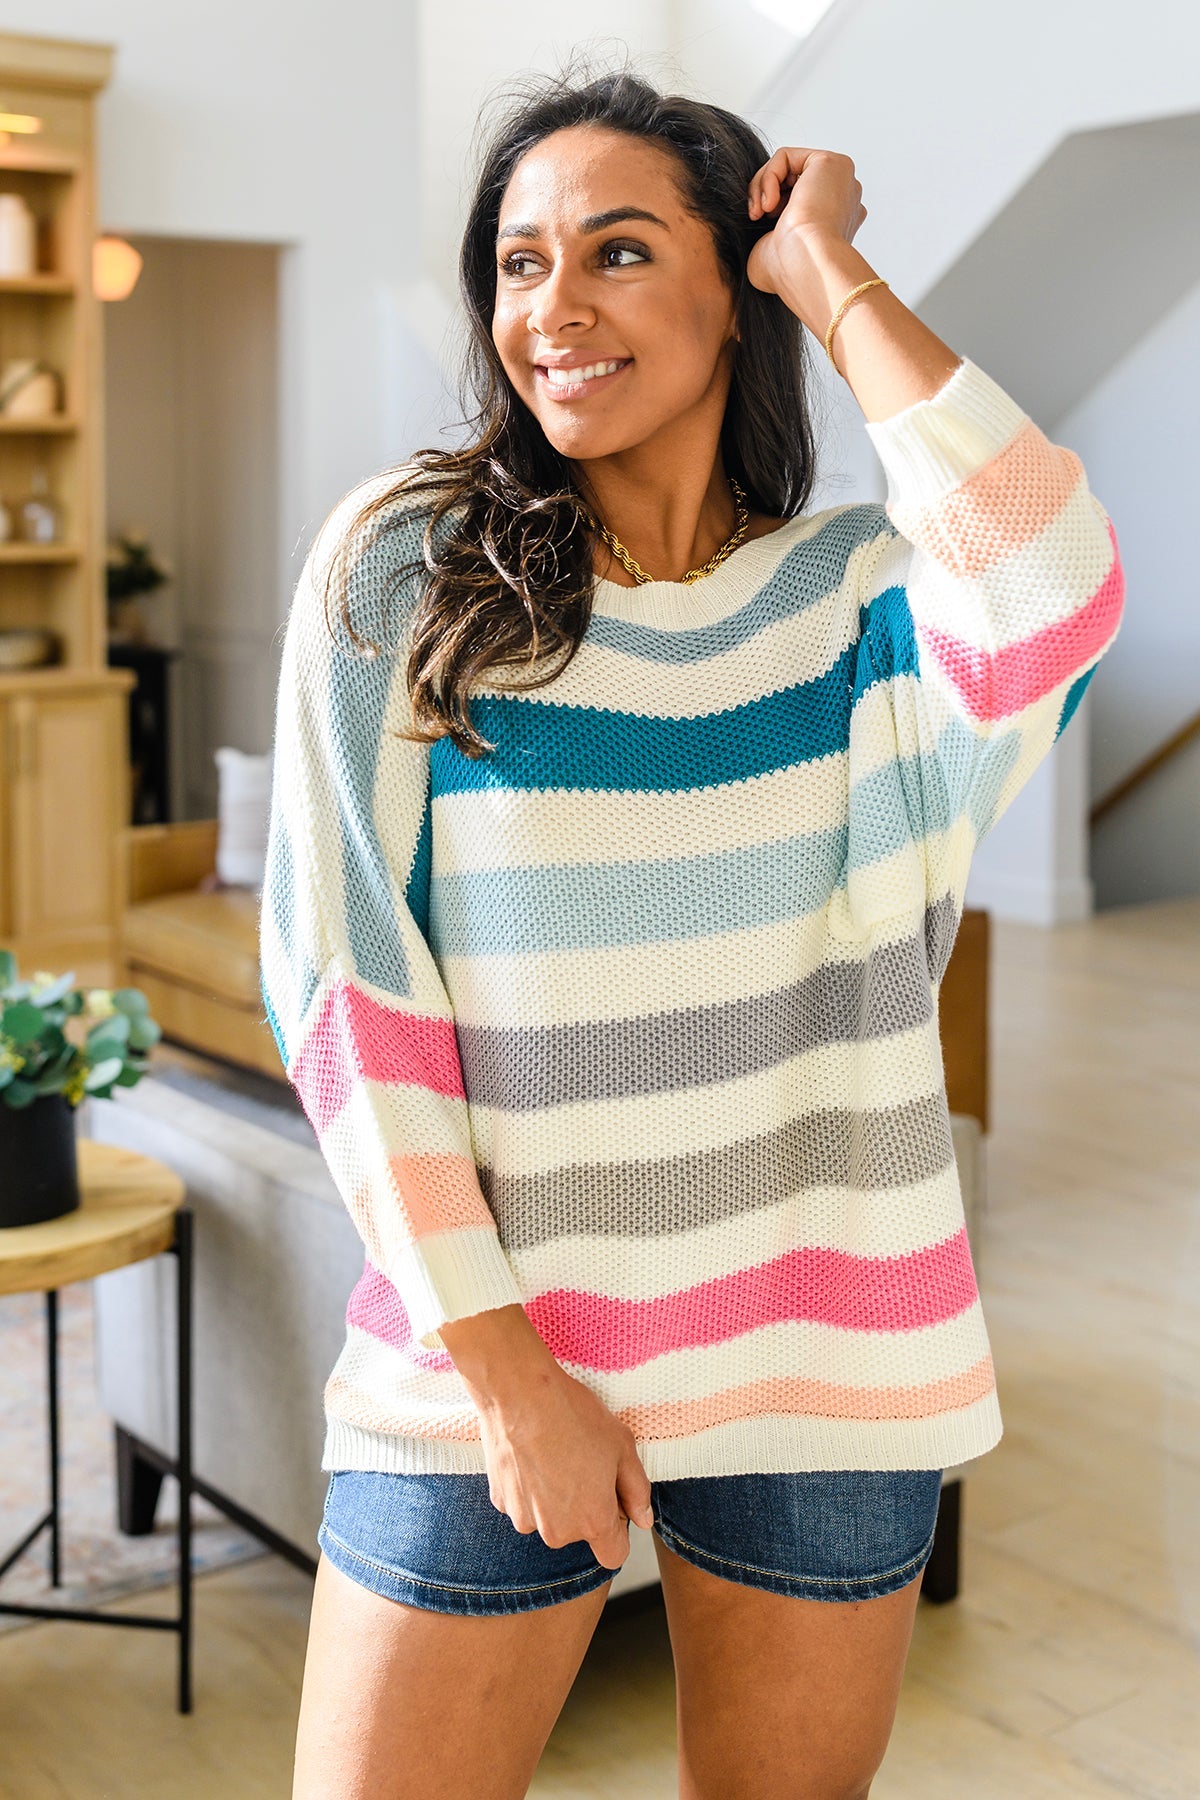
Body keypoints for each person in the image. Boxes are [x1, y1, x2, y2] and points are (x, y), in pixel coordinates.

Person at [261, 61, 1125, 1800]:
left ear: (738, 286)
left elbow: (1053, 591)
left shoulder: (863, 605)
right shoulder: (410, 568)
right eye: (515, 264)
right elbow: (350, 988)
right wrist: (507, 1373)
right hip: (489, 1364)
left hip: (826, 1358)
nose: (552, 310)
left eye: (618, 252)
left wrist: (838, 271)